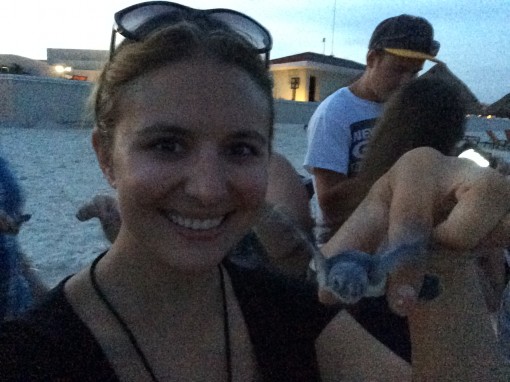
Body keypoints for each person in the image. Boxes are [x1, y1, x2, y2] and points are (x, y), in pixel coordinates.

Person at [0, 3, 508, 381]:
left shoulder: (294, 317)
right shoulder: (29, 357)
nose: (205, 189)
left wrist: (441, 252)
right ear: (106, 156)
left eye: (241, 149)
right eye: (168, 144)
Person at [304, 14, 442, 243]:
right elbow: (329, 202)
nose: (406, 81)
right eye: (398, 69)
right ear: (371, 59)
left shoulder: (406, 110)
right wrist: (396, 175)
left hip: (394, 233)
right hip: (343, 241)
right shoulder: (335, 113)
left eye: (414, 72)